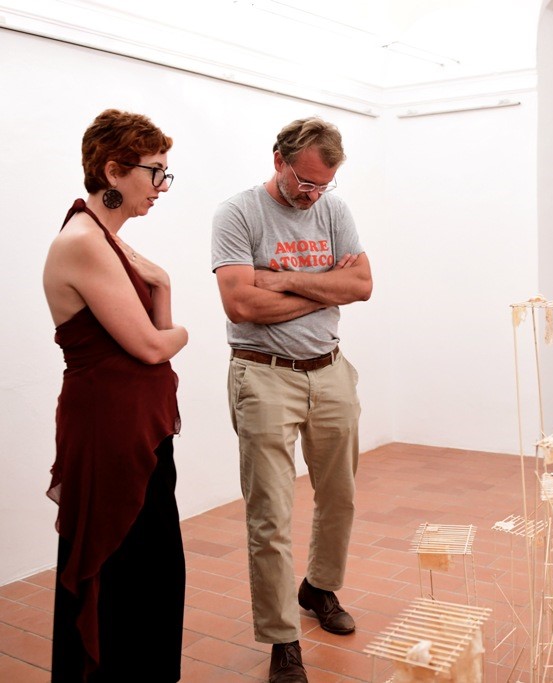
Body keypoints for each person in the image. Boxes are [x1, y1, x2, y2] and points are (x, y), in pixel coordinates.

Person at [211, 117, 371, 683]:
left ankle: (319, 588)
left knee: (340, 495)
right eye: (305, 182)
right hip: (264, 375)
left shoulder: (334, 209)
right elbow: (242, 306)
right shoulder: (238, 214)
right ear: (278, 159)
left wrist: (280, 279)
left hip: (330, 371)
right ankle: (283, 639)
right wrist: (326, 286)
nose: (313, 195)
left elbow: (362, 285)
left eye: (323, 184)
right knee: (271, 515)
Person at [42, 109, 188, 680]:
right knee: (124, 566)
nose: (162, 187)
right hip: (110, 430)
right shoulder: (84, 242)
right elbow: (154, 346)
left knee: (151, 566)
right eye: (155, 172)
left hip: (136, 428)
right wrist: (183, 333)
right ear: (112, 171)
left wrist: (164, 285)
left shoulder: (106, 241)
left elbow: (152, 340)